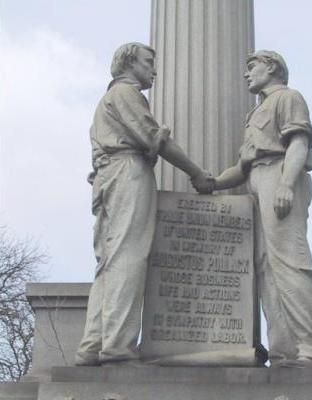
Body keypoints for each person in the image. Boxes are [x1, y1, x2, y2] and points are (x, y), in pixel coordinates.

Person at [75, 42, 210, 366]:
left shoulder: (107, 99)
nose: (155, 69)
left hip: (111, 176)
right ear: (129, 62)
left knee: (109, 263)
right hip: (127, 173)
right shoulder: (126, 94)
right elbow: (153, 139)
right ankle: (118, 347)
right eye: (149, 61)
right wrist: (196, 173)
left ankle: (92, 345)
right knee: (128, 258)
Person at [193, 50, 312, 368]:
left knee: (289, 262)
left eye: (252, 66)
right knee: (267, 268)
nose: (246, 73)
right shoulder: (255, 113)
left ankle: (310, 348)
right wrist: (214, 183)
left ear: (273, 68)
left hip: (280, 175)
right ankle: (283, 351)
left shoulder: (288, 97)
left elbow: (298, 143)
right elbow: (243, 165)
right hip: (258, 181)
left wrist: (286, 184)